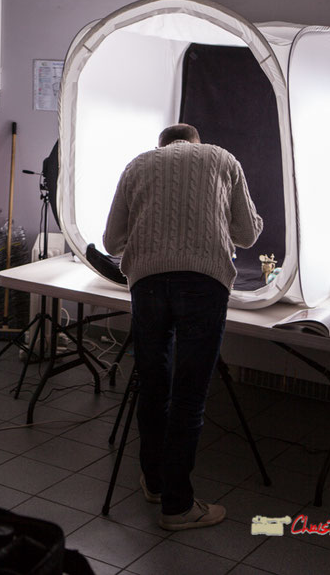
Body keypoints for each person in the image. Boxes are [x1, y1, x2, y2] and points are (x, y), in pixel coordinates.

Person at [103, 124, 263, 531]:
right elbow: (246, 235)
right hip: (204, 284)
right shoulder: (222, 158)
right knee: (188, 396)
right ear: (195, 142)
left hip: (148, 283)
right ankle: (177, 507)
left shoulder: (137, 165)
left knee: (153, 383)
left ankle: (154, 483)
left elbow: (111, 242)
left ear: (162, 146)